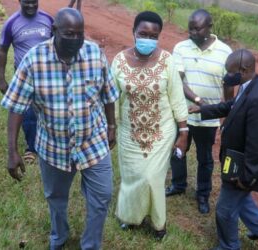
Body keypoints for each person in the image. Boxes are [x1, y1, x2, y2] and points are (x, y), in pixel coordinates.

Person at [1, 8, 119, 250]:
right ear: (54, 31)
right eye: (68, 34)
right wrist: (12, 150)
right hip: (54, 146)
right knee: (56, 198)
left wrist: (112, 125)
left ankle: (91, 244)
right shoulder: (34, 60)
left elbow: (108, 94)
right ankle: (59, 236)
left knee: (102, 196)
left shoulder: (94, 54)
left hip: (93, 142)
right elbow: (16, 107)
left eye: (80, 34)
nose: (75, 40)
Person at [189, 49, 258, 250]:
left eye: (230, 73)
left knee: (224, 209)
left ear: (244, 69)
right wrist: (204, 109)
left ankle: (229, 246)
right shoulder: (250, 84)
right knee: (241, 198)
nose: (227, 77)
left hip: (244, 164)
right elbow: (232, 106)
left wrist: (247, 177)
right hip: (237, 158)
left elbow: (257, 144)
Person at [111, 11, 188, 240]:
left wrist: (183, 131)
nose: (148, 38)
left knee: (152, 177)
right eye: (143, 33)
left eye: (153, 35)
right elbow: (112, 98)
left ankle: (158, 223)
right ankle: (131, 217)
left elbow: (177, 97)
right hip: (129, 131)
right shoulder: (119, 61)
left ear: (159, 36)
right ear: (133, 33)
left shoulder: (167, 60)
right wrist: (111, 128)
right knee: (132, 177)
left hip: (161, 131)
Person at [165, 9, 234, 215]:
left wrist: (225, 116)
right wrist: (197, 100)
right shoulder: (180, 48)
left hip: (208, 119)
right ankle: (178, 185)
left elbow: (228, 88)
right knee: (178, 152)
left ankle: (202, 194)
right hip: (183, 114)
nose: (192, 33)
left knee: (205, 159)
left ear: (209, 27)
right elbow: (178, 79)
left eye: (197, 29)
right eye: (190, 28)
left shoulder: (225, 52)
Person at [0, 0, 53, 163]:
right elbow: (2, 50)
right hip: (23, 77)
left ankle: (48, 142)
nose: (31, 6)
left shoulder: (48, 19)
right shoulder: (11, 23)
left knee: (47, 109)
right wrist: (1, 79)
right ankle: (32, 148)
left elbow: (58, 42)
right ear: (20, 1)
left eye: (34, 2)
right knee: (27, 114)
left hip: (47, 75)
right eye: (27, 3)